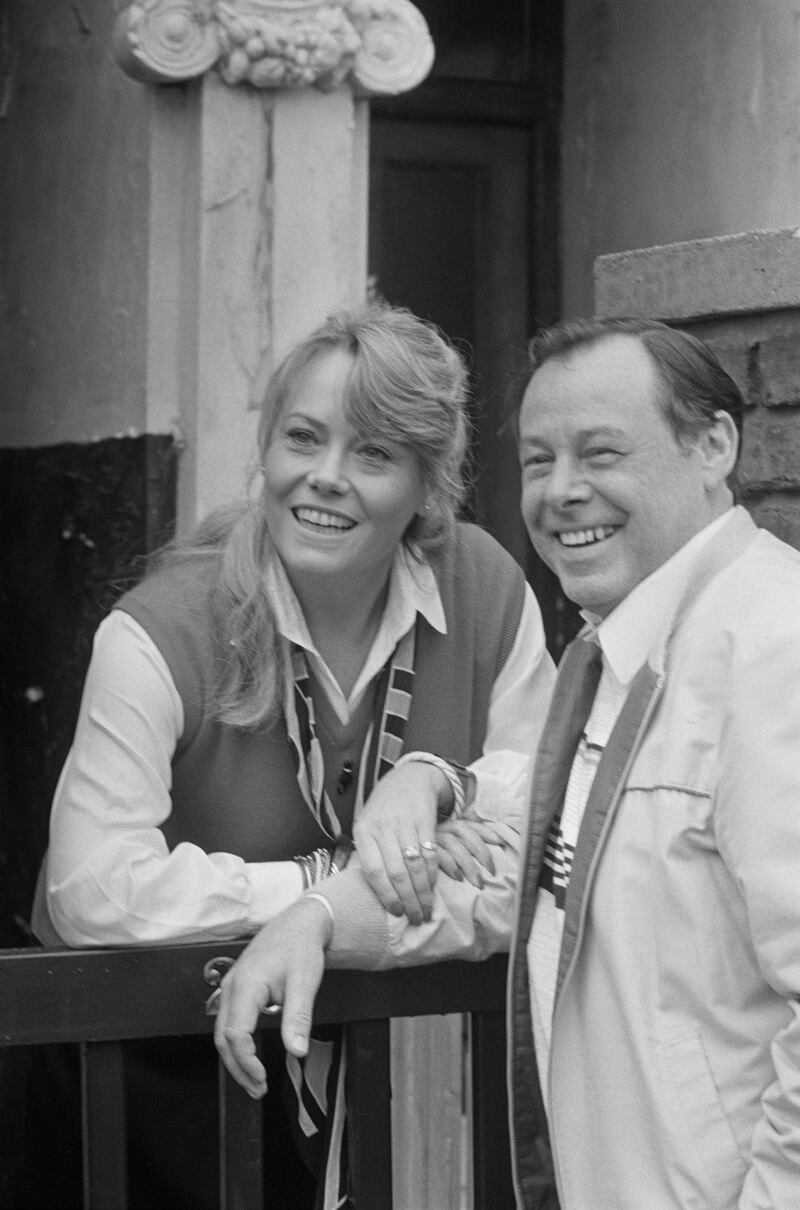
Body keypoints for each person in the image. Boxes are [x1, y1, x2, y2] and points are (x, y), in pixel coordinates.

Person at [214, 316, 800, 1210]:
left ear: (714, 445)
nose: (563, 491)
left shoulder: (773, 647)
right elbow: (520, 877)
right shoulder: (612, 654)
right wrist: (319, 919)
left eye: (601, 453)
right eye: (537, 462)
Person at [1, 301, 555, 1210]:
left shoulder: (488, 588)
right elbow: (92, 888)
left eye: (372, 454)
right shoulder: (158, 630)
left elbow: (535, 823)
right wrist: (325, 885)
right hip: (146, 1073)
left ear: (430, 483)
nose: (325, 477)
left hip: (387, 1071)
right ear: (266, 451)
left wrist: (437, 784)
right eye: (304, 438)